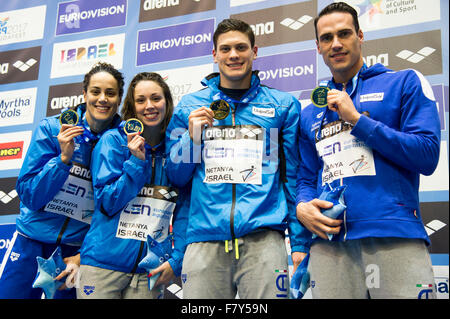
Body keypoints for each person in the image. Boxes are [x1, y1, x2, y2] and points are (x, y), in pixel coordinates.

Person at [296, 2, 441, 299]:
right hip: (329, 243)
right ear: (318, 47)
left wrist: (358, 121)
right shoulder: (310, 113)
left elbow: (427, 154)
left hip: (393, 235)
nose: (335, 44)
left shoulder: (403, 83)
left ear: (360, 36)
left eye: (344, 33)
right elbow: (306, 176)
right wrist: (302, 206)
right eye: (326, 38)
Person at [165, 18, 308, 299]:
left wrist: (300, 242)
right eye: (226, 48)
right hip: (204, 240)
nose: (233, 55)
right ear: (214, 54)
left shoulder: (282, 105)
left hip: (264, 239)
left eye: (241, 48)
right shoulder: (190, 106)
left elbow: (291, 178)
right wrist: (192, 138)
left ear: (254, 52)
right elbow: (176, 177)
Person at [0, 62, 124, 299]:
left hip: (74, 252)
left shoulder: (120, 142)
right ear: (84, 93)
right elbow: (29, 194)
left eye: (110, 93)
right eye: (96, 91)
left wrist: (84, 254)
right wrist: (63, 160)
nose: (102, 99)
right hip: (31, 240)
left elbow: (113, 208)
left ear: (119, 99)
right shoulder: (52, 128)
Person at [77, 72, 188, 299]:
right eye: (141, 100)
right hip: (102, 266)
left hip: (149, 270)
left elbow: (185, 209)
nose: (149, 106)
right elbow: (107, 202)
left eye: (156, 98)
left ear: (166, 102)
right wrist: (137, 162)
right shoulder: (114, 140)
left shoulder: (176, 149)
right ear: (131, 105)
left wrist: (176, 260)